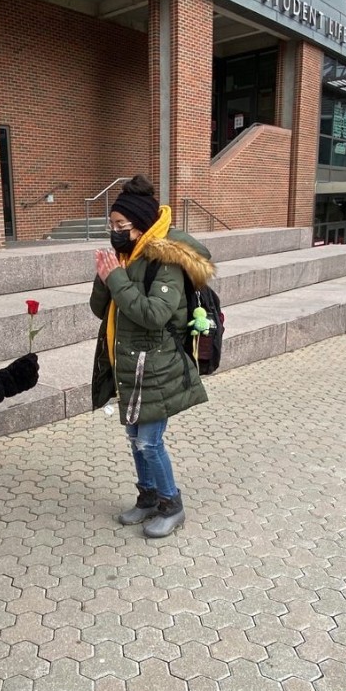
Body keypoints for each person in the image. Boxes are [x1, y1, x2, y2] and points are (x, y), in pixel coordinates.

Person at [90, 175, 213, 539]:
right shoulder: (127, 256)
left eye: (120, 225)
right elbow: (101, 310)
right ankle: (147, 498)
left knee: (149, 440)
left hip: (158, 366)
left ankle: (171, 504)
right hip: (131, 363)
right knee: (134, 435)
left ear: (140, 225)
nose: (113, 231)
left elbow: (154, 314)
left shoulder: (165, 261)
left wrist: (116, 278)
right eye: (110, 224)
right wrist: (105, 276)